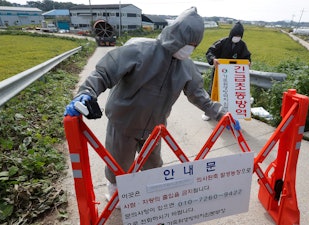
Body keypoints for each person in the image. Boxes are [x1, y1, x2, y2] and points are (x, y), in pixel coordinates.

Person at [64, 7, 230, 203]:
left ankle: (148, 204)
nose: (189, 48)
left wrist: (221, 114)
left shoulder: (187, 67)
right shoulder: (139, 50)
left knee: (153, 169)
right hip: (123, 124)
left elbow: (199, 95)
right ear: (175, 35)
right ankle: (115, 198)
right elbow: (104, 73)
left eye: (194, 45)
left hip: (155, 130)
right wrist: (86, 93)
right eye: (187, 42)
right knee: (119, 166)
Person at [202, 21, 252, 121]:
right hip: (219, 72)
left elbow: (247, 57)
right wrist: (213, 59)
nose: (237, 37)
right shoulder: (222, 42)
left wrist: (249, 62)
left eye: (239, 36)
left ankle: (229, 112)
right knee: (214, 91)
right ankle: (208, 112)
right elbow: (210, 51)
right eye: (235, 35)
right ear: (231, 34)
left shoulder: (242, 45)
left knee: (230, 93)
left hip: (233, 74)